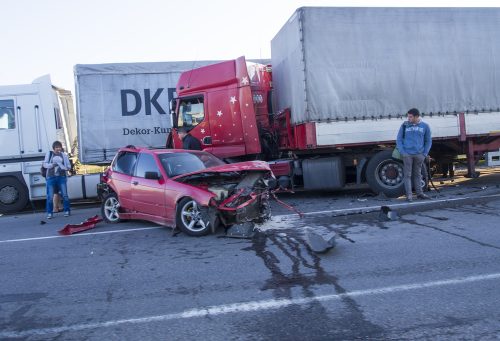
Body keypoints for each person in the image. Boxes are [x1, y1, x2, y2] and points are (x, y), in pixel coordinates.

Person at [396, 108, 432, 202]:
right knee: (407, 175)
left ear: (416, 116)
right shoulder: (404, 125)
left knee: (418, 174)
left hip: (419, 154)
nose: (408, 118)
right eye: (408, 116)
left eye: (410, 117)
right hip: (407, 154)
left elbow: (428, 141)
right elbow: (399, 139)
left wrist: (424, 153)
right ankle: (409, 196)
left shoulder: (425, 126)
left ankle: (420, 194)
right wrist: (403, 152)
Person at [43, 141, 71, 218]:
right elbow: (44, 164)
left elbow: (68, 165)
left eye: (59, 147)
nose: (58, 149)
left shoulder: (63, 155)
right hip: (51, 177)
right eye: (56, 147)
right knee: (50, 196)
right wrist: (52, 165)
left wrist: (67, 168)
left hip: (61, 177)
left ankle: (67, 210)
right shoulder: (49, 154)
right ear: (53, 148)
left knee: (65, 195)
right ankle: (49, 212)